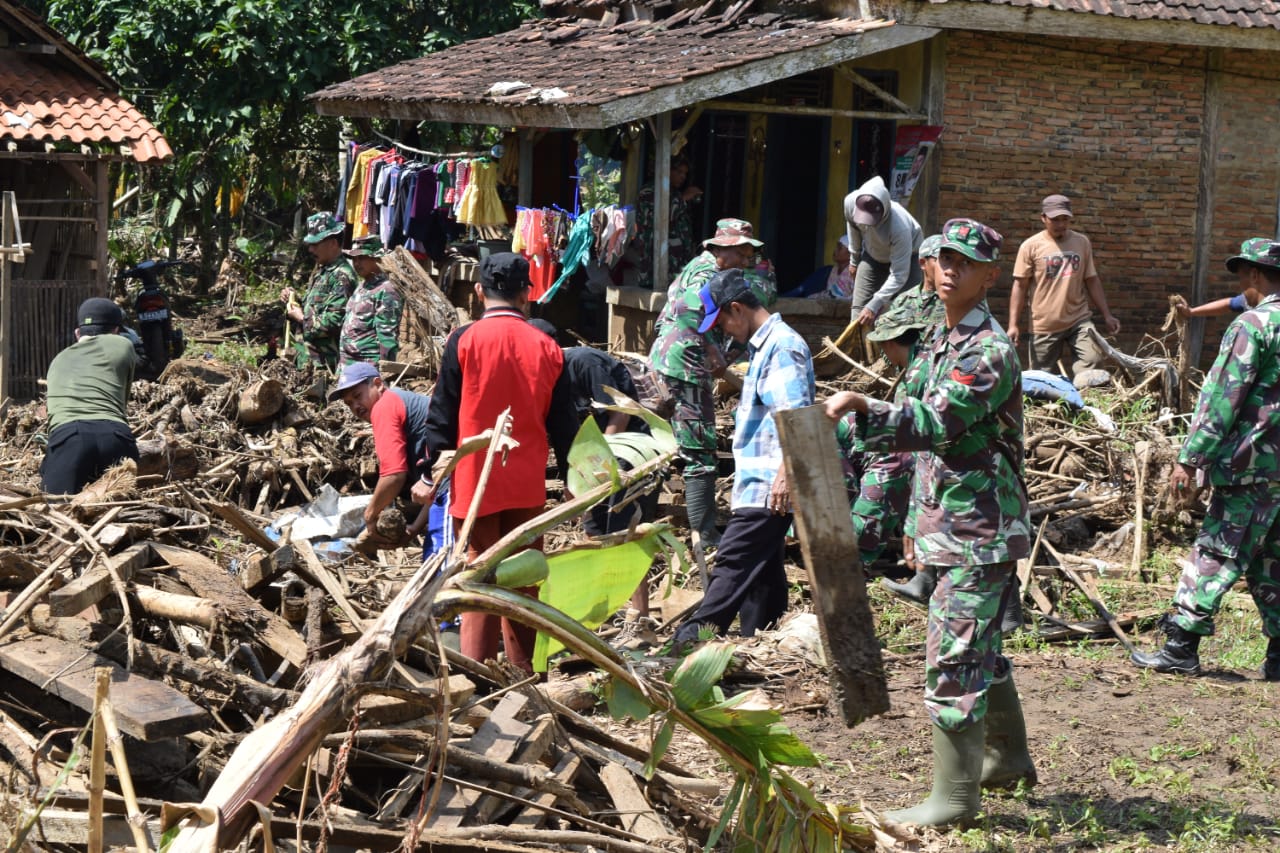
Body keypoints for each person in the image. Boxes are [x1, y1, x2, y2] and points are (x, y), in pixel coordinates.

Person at [826, 218, 1035, 828]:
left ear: (991, 277)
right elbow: (917, 451)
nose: (949, 269)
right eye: (943, 258)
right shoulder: (938, 341)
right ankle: (1009, 759)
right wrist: (917, 531)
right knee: (981, 651)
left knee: (953, 659)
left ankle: (955, 800)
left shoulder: (989, 349)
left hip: (980, 529)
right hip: (952, 525)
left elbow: (936, 422)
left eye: (965, 263)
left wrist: (863, 404)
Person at [419, 253, 578, 674]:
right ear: (528, 294)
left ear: (478, 292)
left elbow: (442, 414)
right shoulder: (547, 346)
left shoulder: (464, 340)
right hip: (526, 480)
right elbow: (564, 422)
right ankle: (523, 672)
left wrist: (430, 471)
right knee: (523, 575)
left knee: (476, 571)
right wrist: (573, 475)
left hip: (475, 482)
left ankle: (475, 671)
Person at [1130, 238, 1280, 682]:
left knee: (1215, 551)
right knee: (1272, 559)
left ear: (1253, 276)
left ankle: (1180, 644)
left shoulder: (1253, 326)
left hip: (1251, 465)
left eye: (1241, 277)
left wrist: (1191, 458)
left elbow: (1222, 398)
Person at [672, 269, 814, 648]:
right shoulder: (766, 348)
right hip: (760, 484)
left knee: (732, 567)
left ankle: (688, 643)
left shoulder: (782, 346)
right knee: (762, 575)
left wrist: (785, 473)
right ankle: (765, 645)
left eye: (723, 322)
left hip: (769, 487)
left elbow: (795, 415)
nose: (725, 332)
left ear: (737, 308)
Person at [530, 318, 660, 634]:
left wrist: (609, 463)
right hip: (597, 460)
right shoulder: (548, 380)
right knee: (594, 529)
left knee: (625, 530)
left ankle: (638, 615)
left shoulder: (583, 362)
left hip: (632, 451)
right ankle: (601, 608)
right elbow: (565, 435)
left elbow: (622, 411)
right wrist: (572, 480)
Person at [649, 218, 766, 550]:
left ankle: (653, 513)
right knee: (700, 447)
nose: (746, 261)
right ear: (723, 249)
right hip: (685, 363)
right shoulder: (705, 275)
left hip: (668, 359)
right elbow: (688, 313)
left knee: (664, 439)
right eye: (742, 253)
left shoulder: (697, 267)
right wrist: (714, 351)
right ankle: (705, 532)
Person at [329, 361, 448, 555]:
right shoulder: (399, 401)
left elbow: (394, 475)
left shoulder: (384, 406)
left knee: (441, 560)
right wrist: (414, 528)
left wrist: (370, 515)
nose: (355, 406)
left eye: (358, 396)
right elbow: (434, 484)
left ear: (377, 384)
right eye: (349, 403)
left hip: (458, 481)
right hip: (456, 481)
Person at [1008, 194, 1120, 379]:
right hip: (1044, 324)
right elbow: (1020, 286)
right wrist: (1013, 325)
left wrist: (1107, 315)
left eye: (1065, 219)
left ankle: (1084, 402)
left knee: (1092, 364)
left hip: (1079, 319)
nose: (1061, 224)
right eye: (1055, 220)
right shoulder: (1030, 246)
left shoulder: (1081, 242)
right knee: (1041, 379)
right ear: (1043, 218)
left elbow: (1091, 279)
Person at [40, 298, 140, 494]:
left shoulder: (57, 360)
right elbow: (122, 402)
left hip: (68, 439)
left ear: (77, 333)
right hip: (115, 436)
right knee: (126, 509)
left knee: (56, 512)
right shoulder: (123, 345)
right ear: (116, 330)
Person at [843, 175, 924, 326]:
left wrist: (874, 305)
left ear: (885, 210)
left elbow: (899, 275)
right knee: (858, 315)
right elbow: (853, 228)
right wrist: (854, 261)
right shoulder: (849, 203)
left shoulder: (900, 227)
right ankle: (857, 349)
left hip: (908, 259)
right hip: (873, 257)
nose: (868, 225)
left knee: (908, 315)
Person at [282, 212, 357, 371]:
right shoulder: (324, 271)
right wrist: (293, 299)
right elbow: (316, 308)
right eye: (310, 244)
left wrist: (302, 318)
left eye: (315, 244)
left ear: (333, 243)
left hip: (324, 365)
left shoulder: (342, 276)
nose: (310, 249)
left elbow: (335, 321)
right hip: (307, 361)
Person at [632, 155, 702, 289]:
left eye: (685, 173)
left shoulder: (674, 193)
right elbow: (660, 220)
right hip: (655, 266)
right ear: (666, 170)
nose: (683, 177)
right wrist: (684, 198)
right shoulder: (649, 191)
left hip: (676, 263)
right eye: (679, 172)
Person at [338, 236, 403, 367]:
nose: (356, 263)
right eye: (354, 259)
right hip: (348, 363)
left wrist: (386, 370)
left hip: (367, 366)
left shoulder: (386, 290)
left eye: (362, 258)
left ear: (376, 258)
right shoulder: (363, 285)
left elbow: (387, 336)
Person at [1171, 238, 1267, 320]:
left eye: (1241, 277)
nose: (1240, 285)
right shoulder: (1254, 299)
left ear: (1254, 275)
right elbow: (1229, 304)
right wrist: (1191, 312)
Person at [781, 234, 855, 300]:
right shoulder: (833, 270)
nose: (835, 250)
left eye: (839, 248)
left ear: (850, 254)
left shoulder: (854, 273)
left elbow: (856, 298)